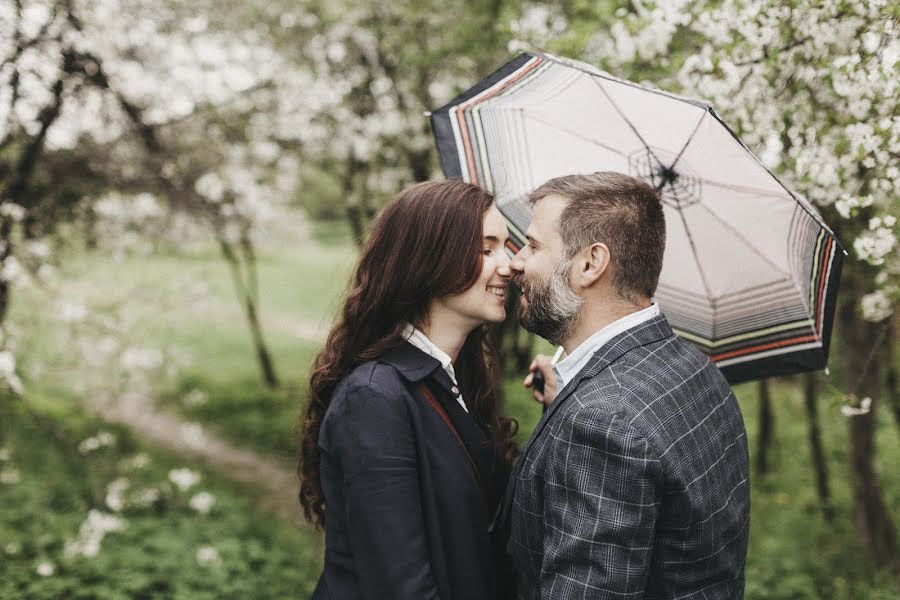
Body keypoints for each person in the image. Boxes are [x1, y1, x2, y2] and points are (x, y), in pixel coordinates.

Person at [499, 172, 750, 599]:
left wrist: (581, 416)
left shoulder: (601, 424)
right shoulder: (696, 369)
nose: (515, 261)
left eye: (534, 245)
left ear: (590, 264)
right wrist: (568, 400)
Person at [298, 180, 518, 600]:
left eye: (506, 248)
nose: (507, 265)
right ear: (432, 258)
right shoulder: (375, 397)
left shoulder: (452, 381)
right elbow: (400, 587)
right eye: (486, 249)